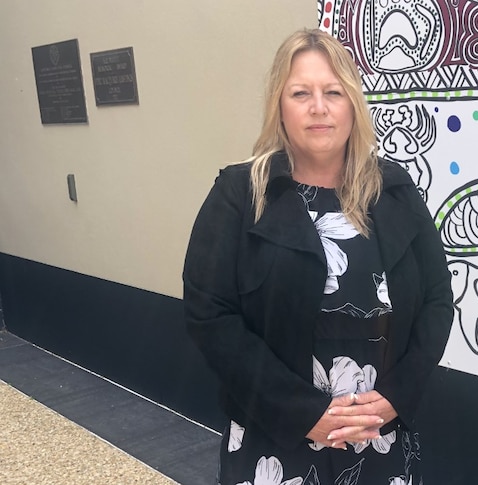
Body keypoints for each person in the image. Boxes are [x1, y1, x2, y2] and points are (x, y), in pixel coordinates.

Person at [182, 28, 454, 484]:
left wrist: (396, 396)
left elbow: (437, 300)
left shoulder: (395, 191)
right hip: (274, 435)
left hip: (377, 434)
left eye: (333, 92)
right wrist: (301, 412)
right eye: (300, 93)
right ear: (279, 107)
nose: (318, 107)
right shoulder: (240, 193)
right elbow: (210, 315)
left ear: (353, 103)